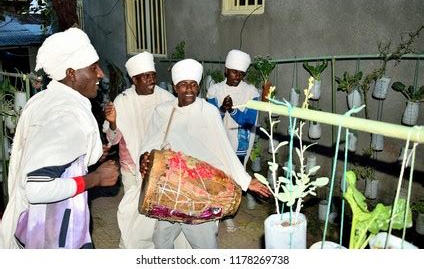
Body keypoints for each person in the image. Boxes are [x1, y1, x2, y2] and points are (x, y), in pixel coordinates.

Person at [0, 28, 119, 249]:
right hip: (54, 235)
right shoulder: (67, 115)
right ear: (71, 73)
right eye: (93, 68)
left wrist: (83, 159)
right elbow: (38, 188)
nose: (100, 74)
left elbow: (52, 154)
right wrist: (97, 178)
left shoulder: (47, 100)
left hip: (43, 227)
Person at [139, 58, 270, 249]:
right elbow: (149, 143)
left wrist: (247, 181)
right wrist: (144, 158)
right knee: (161, 241)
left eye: (193, 85)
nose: (189, 89)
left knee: (205, 246)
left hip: (200, 192)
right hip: (171, 188)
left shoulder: (208, 111)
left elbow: (224, 149)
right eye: (183, 85)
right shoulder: (163, 111)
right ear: (176, 87)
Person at [103, 52, 174, 193]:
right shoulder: (123, 101)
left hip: (160, 164)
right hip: (131, 167)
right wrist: (112, 122)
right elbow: (113, 140)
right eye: (146, 76)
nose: (151, 80)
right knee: (132, 209)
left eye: (153, 75)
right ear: (134, 80)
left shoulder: (167, 99)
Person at [206, 49, 260, 232]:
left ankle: (229, 214)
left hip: (240, 141)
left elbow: (250, 120)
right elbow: (209, 118)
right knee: (219, 177)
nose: (237, 76)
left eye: (241, 73)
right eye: (234, 71)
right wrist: (222, 109)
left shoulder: (251, 91)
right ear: (226, 70)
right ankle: (218, 211)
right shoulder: (215, 90)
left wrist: (234, 111)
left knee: (235, 177)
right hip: (219, 140)